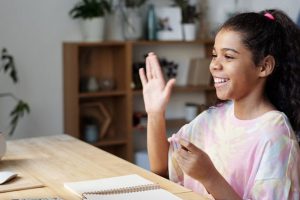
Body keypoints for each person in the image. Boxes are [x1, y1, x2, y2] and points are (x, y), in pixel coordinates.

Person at [139, 9, 300, 199]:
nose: (214, 65)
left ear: (264, 66)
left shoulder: (276, 136)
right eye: (215, 55)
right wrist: (155, 113)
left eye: (229, 56)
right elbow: (162, 169)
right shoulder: (211, 119)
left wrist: (210, 177)